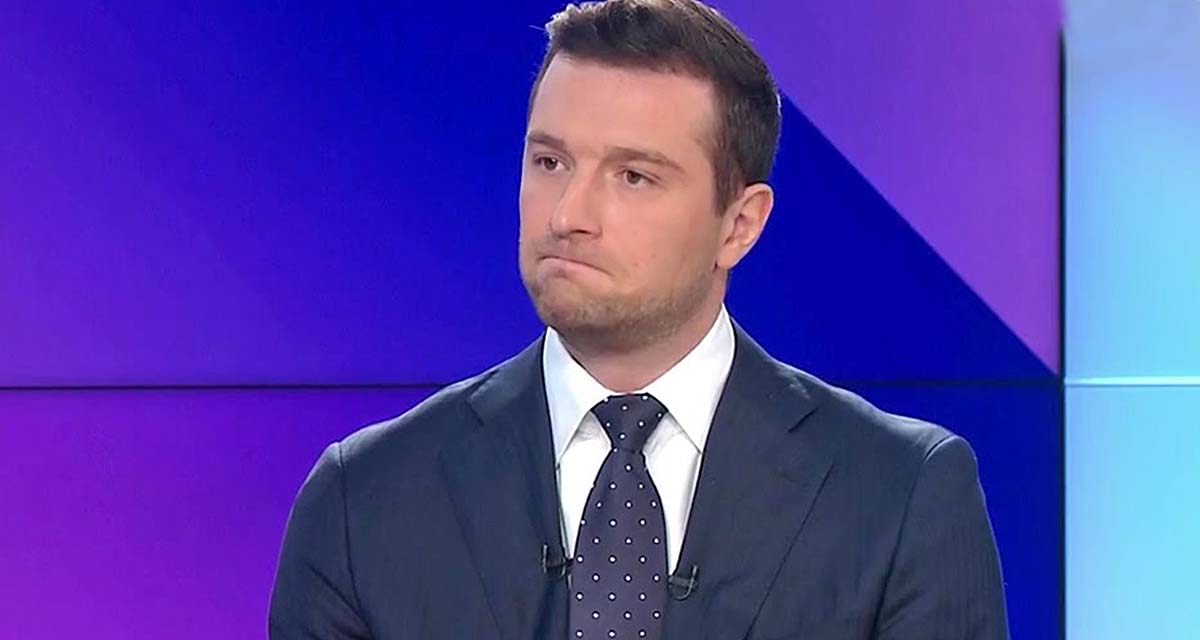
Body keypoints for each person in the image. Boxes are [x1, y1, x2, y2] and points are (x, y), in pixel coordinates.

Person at [268, 1, 1009, 638]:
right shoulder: (364, 500)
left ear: (739, 225)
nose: (569, 215)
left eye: (633, 176)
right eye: (550, 163)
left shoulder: (899, 495)